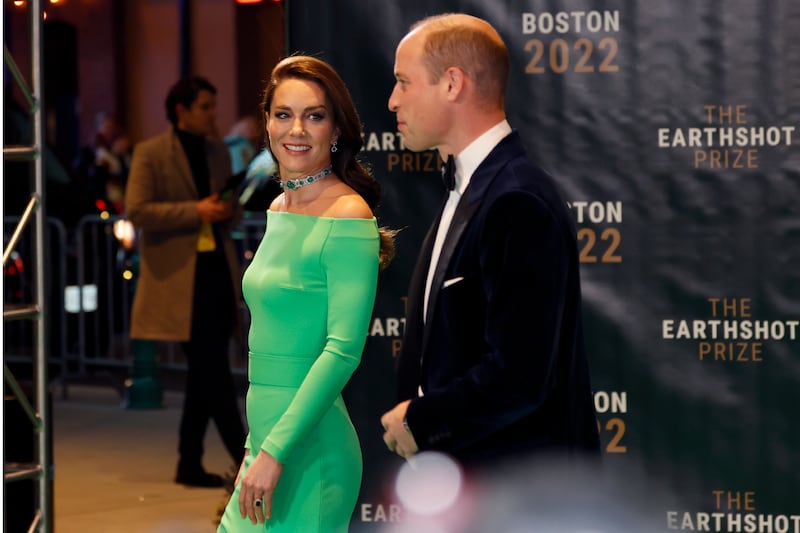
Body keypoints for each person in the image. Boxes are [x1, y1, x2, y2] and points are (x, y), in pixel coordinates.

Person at [380, 13, 601, 473]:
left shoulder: (515, 199)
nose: (392, 100)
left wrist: (421, 420)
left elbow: (520, 376)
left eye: (404, 82)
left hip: (517, 492)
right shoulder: (475, 188)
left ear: (452, 84)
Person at [217, 55, 395, 531]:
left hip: (309, 451)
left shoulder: (348, 214)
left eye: (314, 115)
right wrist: (262, 448)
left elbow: (341, 352)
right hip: (264, 445)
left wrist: (275, 453)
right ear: (268, 125)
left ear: (335, 130)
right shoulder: (280, 205)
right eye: (283, 114)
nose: (296, 129)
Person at [125, 76, 247, 487]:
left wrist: (228, 209)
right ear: (181, 110)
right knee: (212, 373)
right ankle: (244, 460)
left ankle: (188, 464)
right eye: (205, 107)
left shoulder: (217, 153)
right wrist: (195, 210)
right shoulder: (151, 152)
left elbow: (230, 211)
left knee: (203, 374)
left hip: (216, 274)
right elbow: (139, 211)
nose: (213, 114)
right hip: (179, 281)